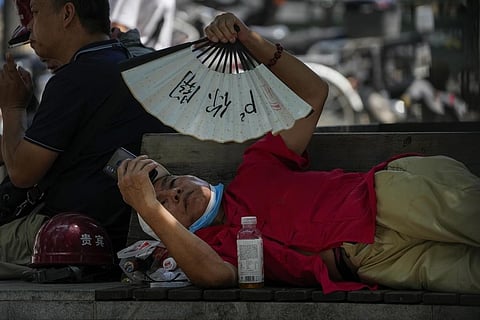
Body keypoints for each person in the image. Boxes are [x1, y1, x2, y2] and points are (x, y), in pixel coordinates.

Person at [117, 12, 480, 294]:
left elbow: (313, 95)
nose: (175, 193)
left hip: (386, 200)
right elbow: (213, 276)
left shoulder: (255, 170)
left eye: (171, 182)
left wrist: (250, 40)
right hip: (375, 264)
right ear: (175, 231)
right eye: (165, 205)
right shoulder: (216, 250)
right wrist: (146, 206)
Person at [0, 0, 173, 279]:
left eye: (37, 12)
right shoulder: (126, 62)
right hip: (114, 234)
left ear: (67, 14)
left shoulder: (75, 79)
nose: (30, 27)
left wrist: (12, 107)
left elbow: (21, 173)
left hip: (68, 238)